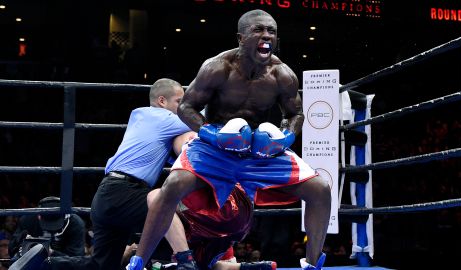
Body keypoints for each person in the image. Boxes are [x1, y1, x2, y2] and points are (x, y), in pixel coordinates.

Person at [129, 9, 331, 270]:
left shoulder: (282, 74)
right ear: (240, 37)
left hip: (258, 150)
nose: (266, 36)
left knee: (320, 189)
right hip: (215, 147)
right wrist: (211, 134)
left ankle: (313, 264)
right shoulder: (217, 68)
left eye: (271, 31)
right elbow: (186, 107)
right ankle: (137, 263)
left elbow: (295, 114)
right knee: (173, 185)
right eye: (258, 30)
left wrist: (286, 137)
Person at [10, 78, 195, 270]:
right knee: (165, 204)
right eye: (179, 102)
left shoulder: (143, 119)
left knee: (100, 265)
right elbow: (203, 125)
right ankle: (185, 261)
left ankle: (45, 265)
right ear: (162, 101)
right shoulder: (162, 118)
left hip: (107, 195)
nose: (183, 107)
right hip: (125, 191)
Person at [8, 196, 85, 259]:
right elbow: (12, 250)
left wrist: (49, 252)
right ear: (39, 216)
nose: (51, 228)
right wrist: (24, 247)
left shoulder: (75, 223)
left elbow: (76, 260)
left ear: (65, 216)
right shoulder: (27, 220)